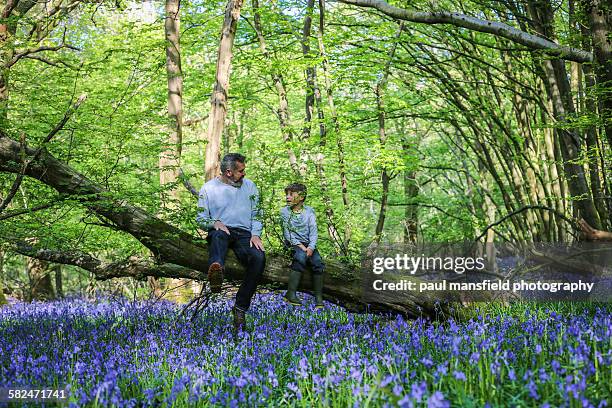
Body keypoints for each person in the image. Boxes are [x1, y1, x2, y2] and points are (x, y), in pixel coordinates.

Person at [196, 153, 265, 331]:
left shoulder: (250, 187)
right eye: (240, 171)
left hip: (244, 234)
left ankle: (240, 307)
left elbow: (257, 214)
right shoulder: (208, 189)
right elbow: (200, 219)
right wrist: (213, 223)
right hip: (221, 230)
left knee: (258, 258)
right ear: (228, 172)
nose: (244, 174)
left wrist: (256, 234)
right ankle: (216, 271)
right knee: (218, 235)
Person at [280, 183, 325, 309]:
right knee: (300, 257)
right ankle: (291, 293)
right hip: (292, 243)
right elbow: (287, 233)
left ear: (301, 197)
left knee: (318, 262)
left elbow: (313, 231)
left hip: (308, 244)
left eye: (291, 194)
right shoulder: (285, 212)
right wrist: (301, 247)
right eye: (286, 194)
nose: (287, 197)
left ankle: (319, 298)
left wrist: (311, 247)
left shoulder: (309, 211)